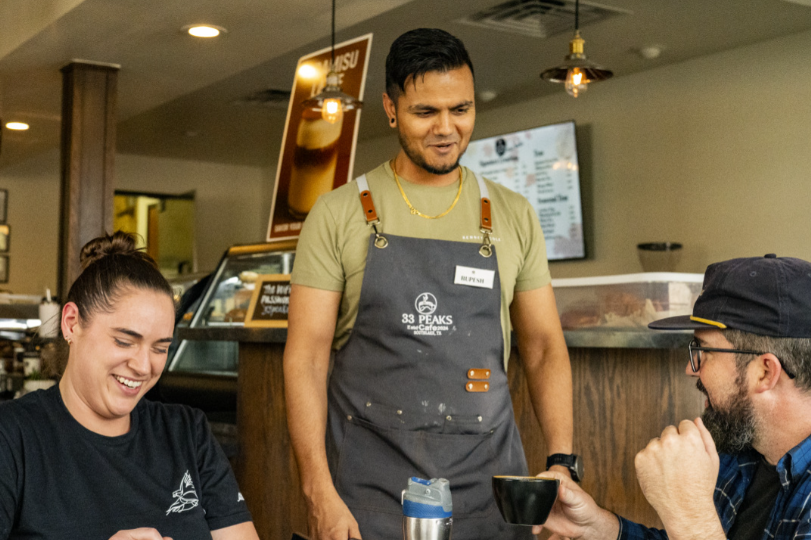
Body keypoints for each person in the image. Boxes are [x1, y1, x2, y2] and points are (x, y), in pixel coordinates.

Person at [284, 28, 574, 540]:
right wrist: (317, 490)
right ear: (391, 109)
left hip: (488, 490)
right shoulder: (337, 213)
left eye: (460, 109)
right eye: (425, 113)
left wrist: (562, 463)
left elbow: (545, 346)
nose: (446, 128)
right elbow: (306, 357)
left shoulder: (512, 213)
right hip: (368, 492)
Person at [0, 232, 260, 540]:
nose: (143, 365)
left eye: (160, 348)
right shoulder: (13, 436)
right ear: (71, 323)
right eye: (125, 341)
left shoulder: (186, 432)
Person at [536, 254, 811, 540]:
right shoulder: (740, 454)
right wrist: (601, 530)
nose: (690, 370)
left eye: (704, 351)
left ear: (765, 372)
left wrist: (691, 516)